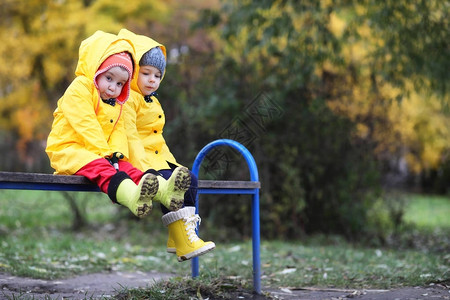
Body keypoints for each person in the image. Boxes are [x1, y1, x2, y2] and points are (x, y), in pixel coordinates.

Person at [45, 30, 191, 219]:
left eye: (121, 83)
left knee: (128, 168)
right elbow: (85, 124)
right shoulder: (80, 87)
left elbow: (117, 132)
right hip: (70, 150)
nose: (114, 87)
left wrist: (116, 155)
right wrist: (106, 154)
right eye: (109, 78)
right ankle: (132, 197)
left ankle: (166, 192)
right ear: (96, 70)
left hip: (100, 152)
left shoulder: (115, 102)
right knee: (104, 169)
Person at [118, 28, 215, 262]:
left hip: (158, 157)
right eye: (146, 73)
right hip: (136, 161)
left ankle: (177, 235)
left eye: (157, 76)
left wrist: (172, 165)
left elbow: (157, 140)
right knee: (168, 183)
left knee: (189, 178)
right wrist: (145, 171)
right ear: (133, 74)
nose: (152, 80)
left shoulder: (152, 101)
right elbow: (131, 137)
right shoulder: (128, 99)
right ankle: (183, 241)